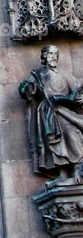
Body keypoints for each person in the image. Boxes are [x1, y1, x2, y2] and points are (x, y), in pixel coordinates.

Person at [19, 44, 83, 177]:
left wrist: (79, 97)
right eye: (51, 54)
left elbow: (76, 87)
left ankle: (77, 167)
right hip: (48, 111)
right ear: (44, 56)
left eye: (56, 54)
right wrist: (28, 88)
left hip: (63, 109)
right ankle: (63, 172)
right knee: (55, 141)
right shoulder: (39, 74)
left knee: (73, 134)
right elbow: (25, 88)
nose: (54, 57)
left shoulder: (63, 73)